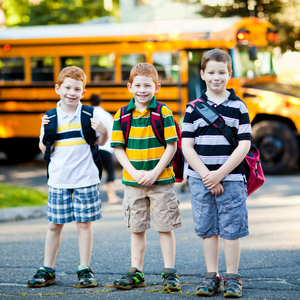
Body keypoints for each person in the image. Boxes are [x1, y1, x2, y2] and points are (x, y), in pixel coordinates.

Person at [27, 66, 108, 288]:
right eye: (67, 88)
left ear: (83, 92)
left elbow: (101, 143)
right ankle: (47, 268)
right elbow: (45, 147)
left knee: (84, 224)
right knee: (54, 225)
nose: (72, 93)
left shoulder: (90, 114)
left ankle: (84, 268)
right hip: (59, 180)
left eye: (77, 89)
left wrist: (103, 130)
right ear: (58, 89)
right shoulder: (49, 117)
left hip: (86, 179)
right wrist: (44, 139)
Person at [181, 49, 252, 298]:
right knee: (208, 228)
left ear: (229, 74)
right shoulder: (192, 109)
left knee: (231, 229)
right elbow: (186, 146)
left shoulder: (239, 107)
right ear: (202, 74)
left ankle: (233, 277)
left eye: (221, 72)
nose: (216, 77)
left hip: (231, 178)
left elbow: (244, 144)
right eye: (211, 72)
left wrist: (219, 174)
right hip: (201, 180)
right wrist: (206, 176)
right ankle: (212, 276)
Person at [111, 62, 182, 291]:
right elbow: (118, 148)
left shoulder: (163, 112)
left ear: (157, 87)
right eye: (138, 85)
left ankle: (169, 273)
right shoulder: (122, 115)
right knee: (137, 228)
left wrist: (154, 173)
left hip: (161, 181)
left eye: (148, 85)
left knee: (165, 227)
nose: (143, 90)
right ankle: (136, 271)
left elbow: (171, 146)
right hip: (134, 183)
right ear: (130, 86)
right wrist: (134, 173)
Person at [90, 94, 122, 204]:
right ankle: (111, 196)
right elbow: (112, 131)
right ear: (101, 102)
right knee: (110, 171)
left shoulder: (88, 114)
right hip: (106, 148)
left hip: (93, 149)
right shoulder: (106, 114)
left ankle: (93, 197)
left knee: (95, 173)